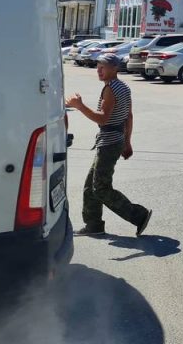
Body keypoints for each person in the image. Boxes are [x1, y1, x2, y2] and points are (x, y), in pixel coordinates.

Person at [66, 53, 151, 237]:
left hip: (109, 143)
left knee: (100, 188)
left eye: (103, 67)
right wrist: (127, 142)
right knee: (91, 186)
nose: (99, 70)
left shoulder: (110, 88)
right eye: (98, 66)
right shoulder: (123, 86)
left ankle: (139, 215)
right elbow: (128, 116)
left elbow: (103, 119)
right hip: (115, 139)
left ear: (115, 68)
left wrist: (80, 106)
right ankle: (94, 225)